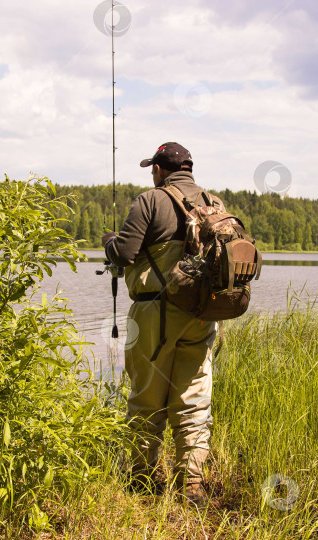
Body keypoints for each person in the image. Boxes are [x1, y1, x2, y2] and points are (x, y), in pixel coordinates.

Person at [101, 142, 224, 507]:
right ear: (188, 168)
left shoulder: (150, 200)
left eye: (152, 168)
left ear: (159, 169)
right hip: (202, 315)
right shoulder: (213, 202)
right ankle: (193, 485)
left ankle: (141, 479)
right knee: (193, 399)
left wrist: (109, 243)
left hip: (154, 313)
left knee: (146, 398)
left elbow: (124, 253)